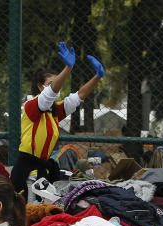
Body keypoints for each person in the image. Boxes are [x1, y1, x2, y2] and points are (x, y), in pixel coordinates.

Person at [10, 42, 104, 199]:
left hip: (43, 170)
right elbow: (49, 95)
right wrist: (68, 68)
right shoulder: (31, 106)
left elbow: (78, 97)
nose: (56, 88)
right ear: (40, 87)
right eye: (51, 84)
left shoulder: (53, 112)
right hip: (26, 171)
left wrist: (97, 76)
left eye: (58, 83)